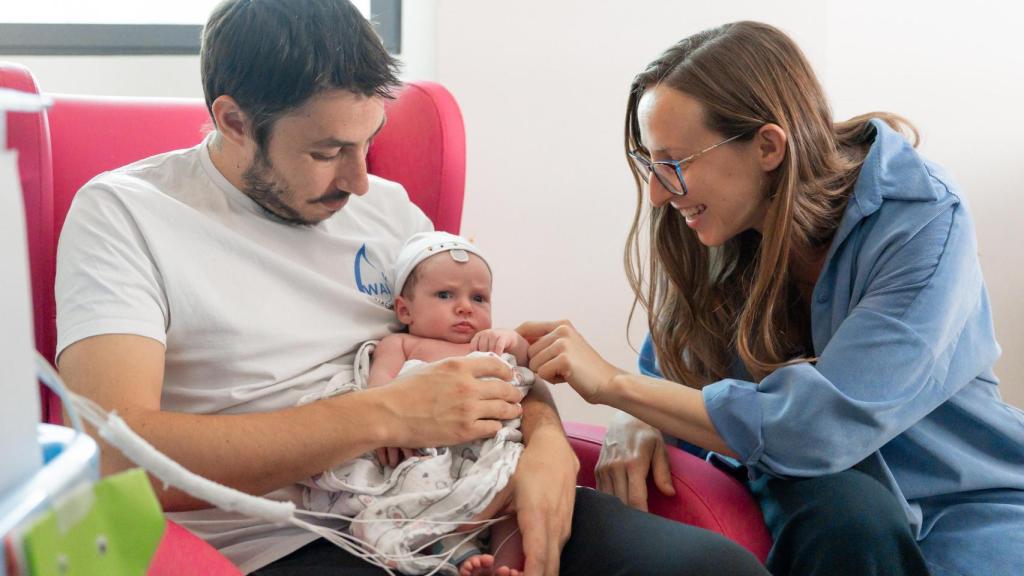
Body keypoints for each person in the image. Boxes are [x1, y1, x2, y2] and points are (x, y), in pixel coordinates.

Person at [54, 1, 769, 575]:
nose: (360, 179)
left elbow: (478, 355)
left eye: (369, 141)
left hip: (467, 497)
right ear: (234, 121)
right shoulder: (126, 214)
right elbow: (115, 456)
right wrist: (385, 416)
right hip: (292, 535)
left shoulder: (388, 211)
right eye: (328, 151)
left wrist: (546, 442)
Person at [519, 20, 1024, 576]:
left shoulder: (924, 222)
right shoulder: (720, 228)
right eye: (651, 166)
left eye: (675, 164)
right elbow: (673, 373)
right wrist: (640, 416)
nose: (659, 194)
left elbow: (822, 426)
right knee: (843, 514)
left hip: (961, 498)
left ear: (767, 146)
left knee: (851, 515)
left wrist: (616, 388)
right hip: (823, 496)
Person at [306, 231, 530, 576]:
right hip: (429, 452)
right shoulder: (402, 344)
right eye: (445, 294)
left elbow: (526, 362)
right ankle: (452, 553)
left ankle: (506, 566)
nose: (465, 307)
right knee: (418, 495)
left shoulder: (483, 343)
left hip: (487, 450)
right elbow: (379, 394)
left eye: (479, 298)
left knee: (514, 503)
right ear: (405, 309)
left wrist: (509, 339)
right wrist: (389, 427)